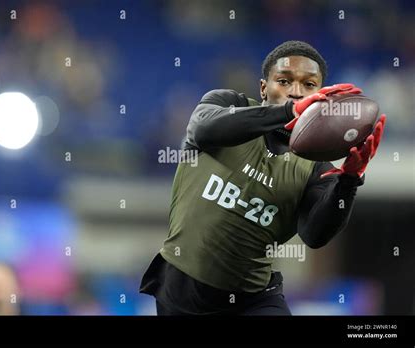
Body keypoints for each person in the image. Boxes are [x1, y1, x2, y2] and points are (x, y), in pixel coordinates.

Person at [139, 40, 386, 315]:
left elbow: (315, 235)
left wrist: (350, 179)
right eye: (284, 80)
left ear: (321, 95)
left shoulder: (317, 167)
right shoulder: (226, 103)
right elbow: (204, 129)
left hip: (253, 300)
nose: (296, 92)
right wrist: (288, 113)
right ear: (263, 88)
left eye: (309, 85)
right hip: (181, 288)